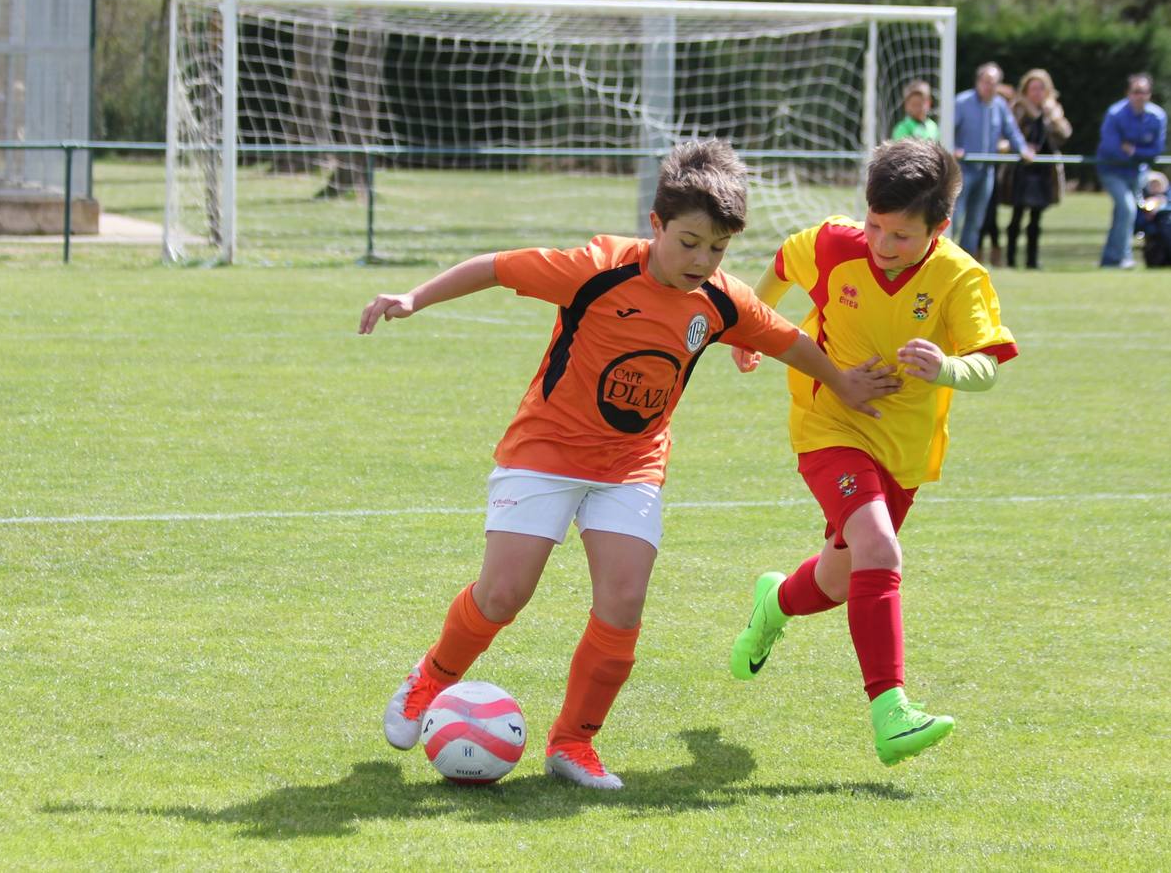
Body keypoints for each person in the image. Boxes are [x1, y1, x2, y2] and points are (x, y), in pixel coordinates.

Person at [359, 140, 899, 791]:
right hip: (545, 452)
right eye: (688, 242)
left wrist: (841, 382)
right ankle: (429, 682)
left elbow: (786, 339)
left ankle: (572, 744)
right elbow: (496, 268)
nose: (701, 261)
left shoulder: (721, 301)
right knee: (504, 592)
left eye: (717, 250)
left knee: (622, 602)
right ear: (655, 226)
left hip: (631, 465)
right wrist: (415, 297)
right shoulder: (596, 267)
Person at [724, 138, 1019, 767]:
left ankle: (772, 605)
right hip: (826, 421)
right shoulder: (836, 245)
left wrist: (947, 368)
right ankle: (892, 713)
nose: (883, 246)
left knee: (837, 581)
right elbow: (783, 260)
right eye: (874, 226)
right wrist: (751, 327)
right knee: (880, 550)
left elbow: (989, 365)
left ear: (940, 227)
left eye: (902, 236)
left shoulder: (959, 277)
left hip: (901, 449)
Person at [952, 63, 1035, 260]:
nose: (990, 86)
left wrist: (1023, 150)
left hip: (987, 172)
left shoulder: (1000, 106)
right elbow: (948, 130)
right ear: (978, 82)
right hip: (962, 170)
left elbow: (1011, 131)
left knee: (976, 220)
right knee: (954, 217)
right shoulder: (962, 102)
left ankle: (964, 262)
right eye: (986, 82)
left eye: (994, 82)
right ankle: (938, 258)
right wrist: (954, 148)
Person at [1096, 73, 1167, 268]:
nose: (1140, 96)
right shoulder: (1115, 114)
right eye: (1136, 92)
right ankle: (1123, 257)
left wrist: (1133, 150)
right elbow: (1111, 148)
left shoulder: (1157, 117)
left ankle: (1110, 259)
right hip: (1112, 171)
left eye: (1144, 92)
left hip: (1137, 173)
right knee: (1127, 208)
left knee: (1125, 213)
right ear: (1128, 93)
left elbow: (1157, 151)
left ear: (1150, 94)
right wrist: (1138, 154)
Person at [1005, 69, 1073, 270]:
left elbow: (1065, 134)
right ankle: (1010, 259)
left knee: (1036, 217)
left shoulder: (1053, 111)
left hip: (1043, 170)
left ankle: (1032, 261)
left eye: (1041, 88)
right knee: (1017, 216)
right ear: (1026, 89)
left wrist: (1051, 117)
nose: (1037, 92)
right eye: (1033, 88)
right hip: (1021, 169)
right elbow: (1009, 134)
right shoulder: (1017, 108)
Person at [976, 82, 1019, 266]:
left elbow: (1013, 136)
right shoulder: (984, 113)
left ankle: (995, 255)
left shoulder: (1004, 115)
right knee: (982, 216)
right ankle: (978, 253)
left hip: (996, 174)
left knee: (991, 216)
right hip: (982, 170)